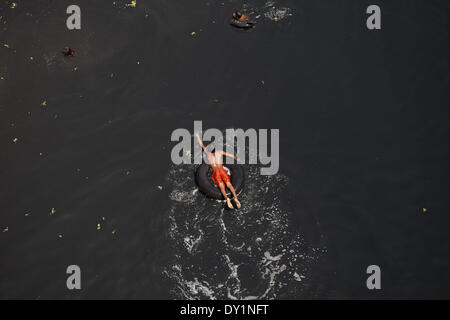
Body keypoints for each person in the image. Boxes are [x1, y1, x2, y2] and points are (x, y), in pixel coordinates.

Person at [195, 133, 241, 209]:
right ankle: (236, 198)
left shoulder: (208, 155)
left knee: (221, 187)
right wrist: (235, 157)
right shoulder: (220, 152)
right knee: (229, 184)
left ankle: (227, 199)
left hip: (216, 172)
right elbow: (230, 155)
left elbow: (202, 145)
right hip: (222, 170)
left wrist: (197, 137)